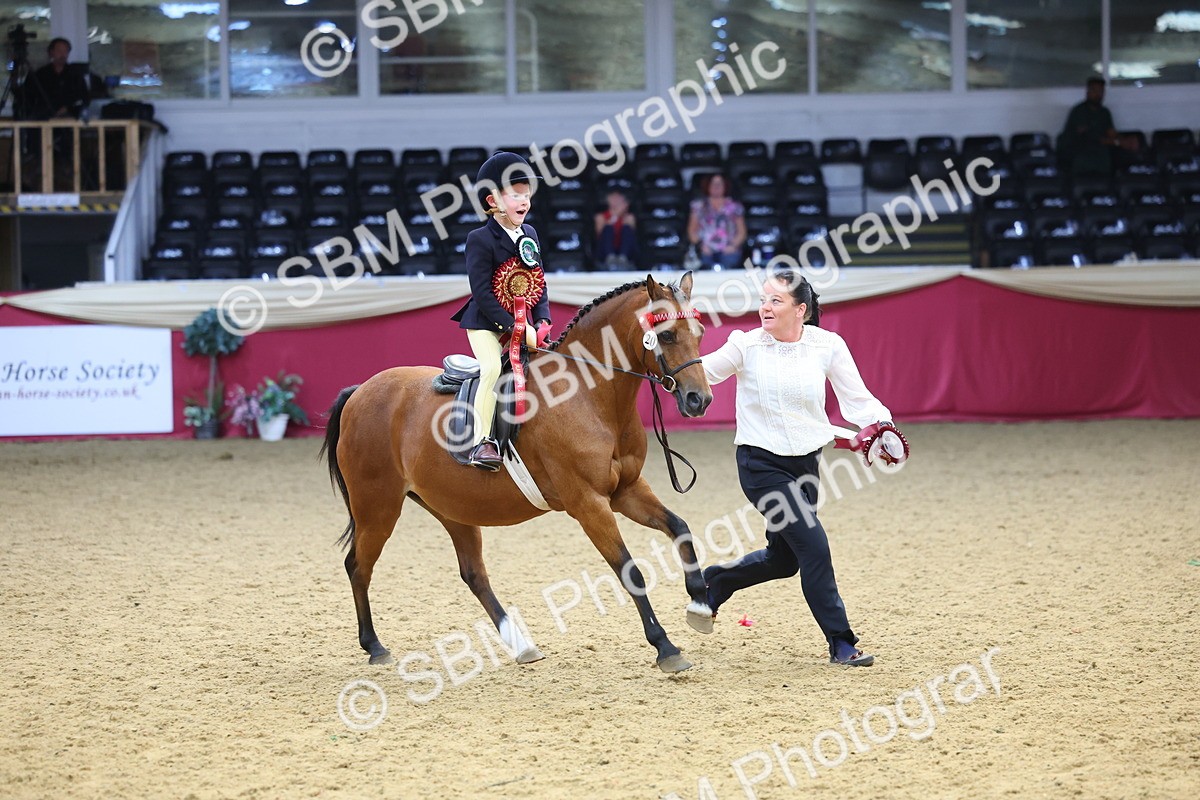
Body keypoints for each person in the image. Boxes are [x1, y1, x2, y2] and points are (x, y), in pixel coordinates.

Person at [698, 268, 908, 667]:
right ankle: (842, 642)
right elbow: (699, 372)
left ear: (801, 310)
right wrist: (660, 349)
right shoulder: (745, 345)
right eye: (763, 299)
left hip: (807, 465)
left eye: (775, 301)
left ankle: (717, 581)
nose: (764, 307)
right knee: (814, 546)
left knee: (786, 559)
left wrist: (881, 428)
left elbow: (857, 399)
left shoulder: (827, 345)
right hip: (760, 466)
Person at [450, 152, 553, 471]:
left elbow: (538, 280)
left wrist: (543, 318)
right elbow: (481, 293)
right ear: (493, 200)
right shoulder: (479, 240)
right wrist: (514, 327)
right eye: (515, 195)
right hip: (485, 323)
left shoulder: (530, 235)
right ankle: (482, 441)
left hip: (524, 323)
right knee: (493, 369)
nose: (524, 202)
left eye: (527, 195)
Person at [1060, 77, 1119, 178]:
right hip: (1080, 150)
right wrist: (1117, 142)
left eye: (1101, 91)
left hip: (1100, 151)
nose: (1098, 95)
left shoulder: (1104, 112)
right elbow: (1090, 137)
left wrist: (1124, 141)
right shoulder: (1079, 111)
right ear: (1087, 92)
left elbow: (1111, 133)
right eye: (1094, 91)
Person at [687, 172, 746, 270]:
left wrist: (733, 246)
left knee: (730, 261)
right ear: (708, 186)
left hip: (729, 250)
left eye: (719, 184)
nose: (716, 187)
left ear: (725, 186)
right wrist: (700, 246)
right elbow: (692, 231)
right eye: (713, 183)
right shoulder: (698, 206)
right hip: (706, 250)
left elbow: (742, 232)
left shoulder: (735, 206)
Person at [28, 38, 90, 120]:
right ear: (51, 52)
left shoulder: (75, 74)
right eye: (59, 51)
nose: (62, 54)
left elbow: (84, 98)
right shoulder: (41, 74)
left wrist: (68, 108)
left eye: (65, 51)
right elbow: (30, 97)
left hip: (70, 119)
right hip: (45, 119)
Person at [593, 183, 638, 269]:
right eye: (613, 197)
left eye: (618, 197)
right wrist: (616, 215)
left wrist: (622, 213)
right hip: (605, 251)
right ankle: (610, 258)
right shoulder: (600, 217)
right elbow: (600, 234)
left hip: (624, 251)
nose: (616, 200)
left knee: (627, 228)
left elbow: (631, 234)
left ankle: (623, 258)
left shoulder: (629, 217)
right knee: (608, 228)